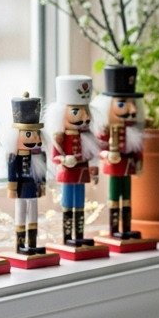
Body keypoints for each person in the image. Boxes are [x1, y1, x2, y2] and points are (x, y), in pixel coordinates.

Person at [45, 75, 100, 246]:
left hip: (81, 173)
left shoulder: (87, 137)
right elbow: (54, 157)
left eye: (85, 111)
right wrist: (63, 159)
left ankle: (80, 234)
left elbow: (91, 156)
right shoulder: (60, 138)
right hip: (68, 175)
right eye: (76, 111)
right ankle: (68, 237)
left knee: (80, 204)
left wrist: (93, 170)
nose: (83, 117)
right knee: (68, 204)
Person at [94, 63, 145, 241]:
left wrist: (139, 164)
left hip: (128, 168)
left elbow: (138, 150)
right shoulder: (105, 130)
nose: (132, 109)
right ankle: (114, 228)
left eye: (132, 103)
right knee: (115, 198)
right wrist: (107, 155)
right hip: (115, 169)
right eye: (123, 103)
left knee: (128, 199)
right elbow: (98, 149)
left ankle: (127, 228)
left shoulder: (132, 129)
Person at [6, 92, 48, 256]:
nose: (35, 139)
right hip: (21, 188)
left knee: (33, 215)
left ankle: (32, 243)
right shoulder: (14, 156)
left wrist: (42, 186)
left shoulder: (40, 155)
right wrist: (12, 188)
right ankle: (20, 245)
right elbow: (12, 172)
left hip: (33, 187)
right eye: (29, 134)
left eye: (37, 134)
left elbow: (42, 175)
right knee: (20, 213)